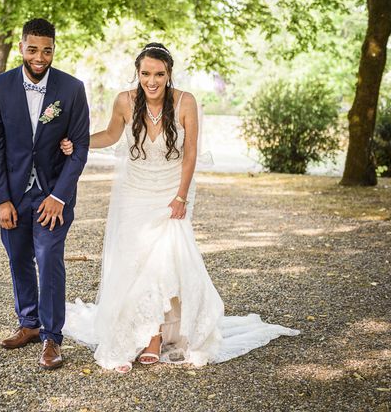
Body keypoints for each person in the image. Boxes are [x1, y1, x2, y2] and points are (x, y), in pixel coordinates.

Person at [59, 43, 299, 373]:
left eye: (159, 74)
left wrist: (181, 196)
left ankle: (155, 338)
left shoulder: (186, 102)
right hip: (135, 192)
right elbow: (113, 135)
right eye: (145, 74)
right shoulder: (124, 101)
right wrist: (80, 141)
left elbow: (190, 154)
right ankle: (137, 331)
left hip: (172, 190)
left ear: (169, 73)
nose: (152, 81)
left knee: (165, 263)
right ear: (138, 73)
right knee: (135, 262)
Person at [0, 18, 90, 370]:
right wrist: (1, 200)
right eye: (33, 49)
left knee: (48, 258)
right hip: (13, 194)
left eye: (47, 50)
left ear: (54, 49)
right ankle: (28, 323)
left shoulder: (72, 89)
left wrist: (59, 196)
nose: (40, 57)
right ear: (21, 48)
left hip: (51, 196)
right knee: (18, 257)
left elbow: (81, 145)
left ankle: (51, 338)